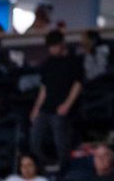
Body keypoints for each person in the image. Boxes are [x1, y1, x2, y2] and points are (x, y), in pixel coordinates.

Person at [31, 30, 83, 167]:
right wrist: (36, 108)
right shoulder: (48, 63)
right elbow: (44, 88)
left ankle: (63, 166)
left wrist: (67, 104)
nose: (52, 49)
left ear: (61, 44)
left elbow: (77, 84)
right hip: (46, 106)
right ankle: (45, 164)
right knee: (35, 138)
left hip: (62, 107)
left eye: (54, 46)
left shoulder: (74, 61)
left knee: (61, 139)